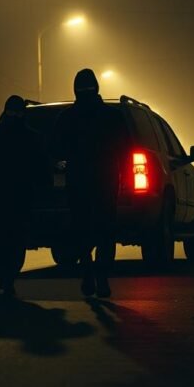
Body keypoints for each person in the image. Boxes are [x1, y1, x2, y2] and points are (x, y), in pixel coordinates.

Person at [52, 69, 129, 298]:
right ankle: (102, 276)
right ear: (97, 87)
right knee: (106, 229)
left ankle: (87, 273)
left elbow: (55, 150)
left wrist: (61, 166)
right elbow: (125, 147)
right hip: (105, 180)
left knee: (81, 229)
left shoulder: (67, 117)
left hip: (78, 181)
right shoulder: (112, 116)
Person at [0, 95, 44, 296]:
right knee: (16, 239)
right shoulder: (31, 137)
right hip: (20, 198)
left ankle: (4, 272)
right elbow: (40, 166)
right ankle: (9, 274)